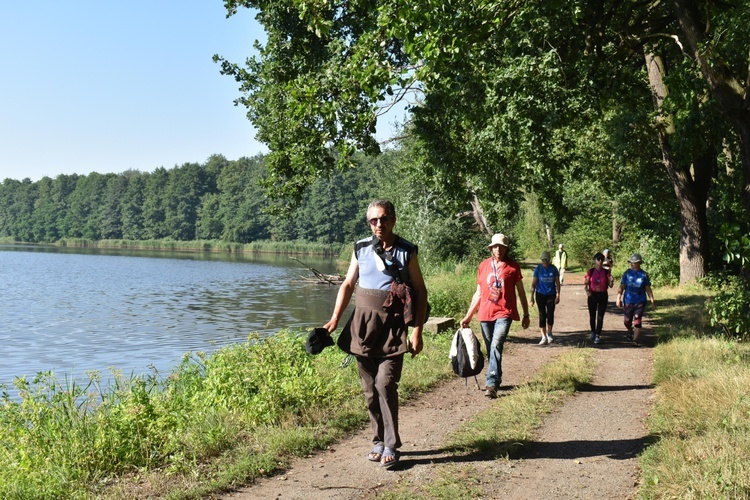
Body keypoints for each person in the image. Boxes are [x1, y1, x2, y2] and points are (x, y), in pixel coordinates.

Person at [323, 200, 427, 469]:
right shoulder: (360, 248)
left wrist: (417, 330)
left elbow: (420, 290)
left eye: (383, 219)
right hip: (362, 327)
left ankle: (392, 445)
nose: (379, 224)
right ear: (368, 222)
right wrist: (335, 318)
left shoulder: (406, 251)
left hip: (392, 329)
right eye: (373, 220)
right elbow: (348, 284)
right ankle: (378, 440)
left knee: (385, 384)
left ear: (393, 219)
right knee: (370, 390)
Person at [460, 233, 530, 399]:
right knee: (491, 347)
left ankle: (491, 383)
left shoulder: (513, 267)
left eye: (502, 247)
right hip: (485, 313)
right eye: (496, 246)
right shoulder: (483, 266)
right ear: (491, 248)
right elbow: (478, 294)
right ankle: (496, 376)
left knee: (496, 344)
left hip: (504, 312)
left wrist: (526, 314)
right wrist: (468, 316)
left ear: (506, 249)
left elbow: (520, 292)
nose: (499, 249)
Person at [615, 253, 656, 346]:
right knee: (627, 320)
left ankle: (635, 340)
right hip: (628, 299)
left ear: (639, 263)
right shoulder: (627, 273)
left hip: (640, 299)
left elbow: (648, 289)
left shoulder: (644, 275)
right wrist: (618, 298)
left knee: (637, 318)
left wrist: (652, 301)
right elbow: (622, 286)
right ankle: (629, 330)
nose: (633, 264)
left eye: (635, 262)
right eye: (632, 262)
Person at [529, 250, 560, 345]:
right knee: (542, 315)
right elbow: (534, 284)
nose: (545, 261)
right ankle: (543, 336)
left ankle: (549, 333)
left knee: (550, 314)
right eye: (543, 260)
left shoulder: (553, 269)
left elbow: (558, 283)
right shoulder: (538, 269)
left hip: (551, 294)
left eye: (546, 259)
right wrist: (532, 297)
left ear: (549, 259)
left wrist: (558, 295)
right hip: (540, 294)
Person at [584, 252, 614, 344]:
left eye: (601, 259)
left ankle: (598, 335)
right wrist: (587, 291)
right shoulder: (590, 271)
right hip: (592, 295)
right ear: (595, 260)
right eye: (598, 259)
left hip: (602, 295)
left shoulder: (606, 272)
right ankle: (593, 331)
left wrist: (611, 281)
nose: (600, 261)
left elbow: (610, 285)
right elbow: (586, 284)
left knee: (600, 316)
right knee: (592, 315)